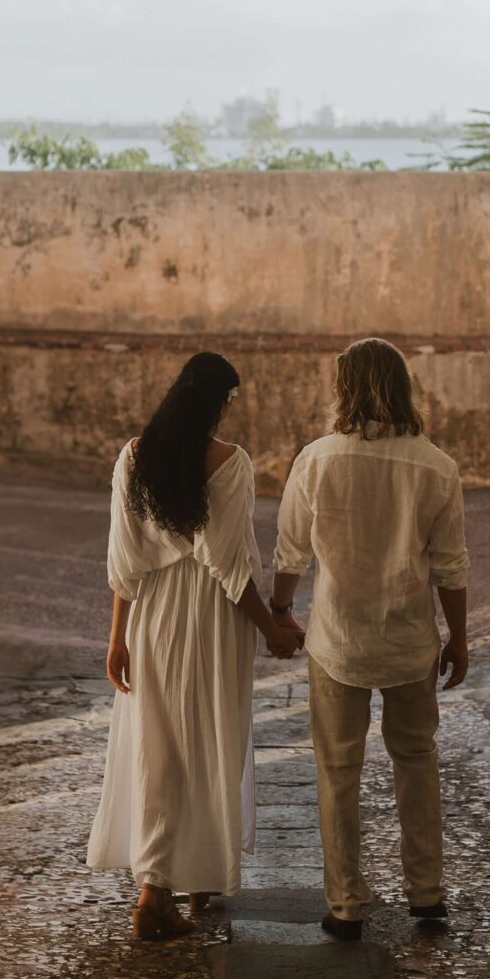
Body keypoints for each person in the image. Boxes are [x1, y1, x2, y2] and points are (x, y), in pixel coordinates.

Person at [88, 350, 305, 942]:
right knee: (211, 739)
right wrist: (271, 630)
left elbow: (125, 559)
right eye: (230, 401)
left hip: (153, 615)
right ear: (218, 403)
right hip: (212, 618)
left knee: (158, 745)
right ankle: (162, 892)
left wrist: (117, 636)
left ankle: (178, 879)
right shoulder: (230, 463)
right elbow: (229, 565)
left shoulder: (135, 457)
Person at [269, 335, 470, 937]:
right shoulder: (436, 467)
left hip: (338, 641)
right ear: (403, 388)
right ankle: (426, 895)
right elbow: (451, 567)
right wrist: (458, 638)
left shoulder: (317, 460)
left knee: (337, 769)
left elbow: (290, 552)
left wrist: (280, 611)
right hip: (410, 641)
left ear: (345, 389)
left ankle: (345, 906)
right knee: (417, 760)